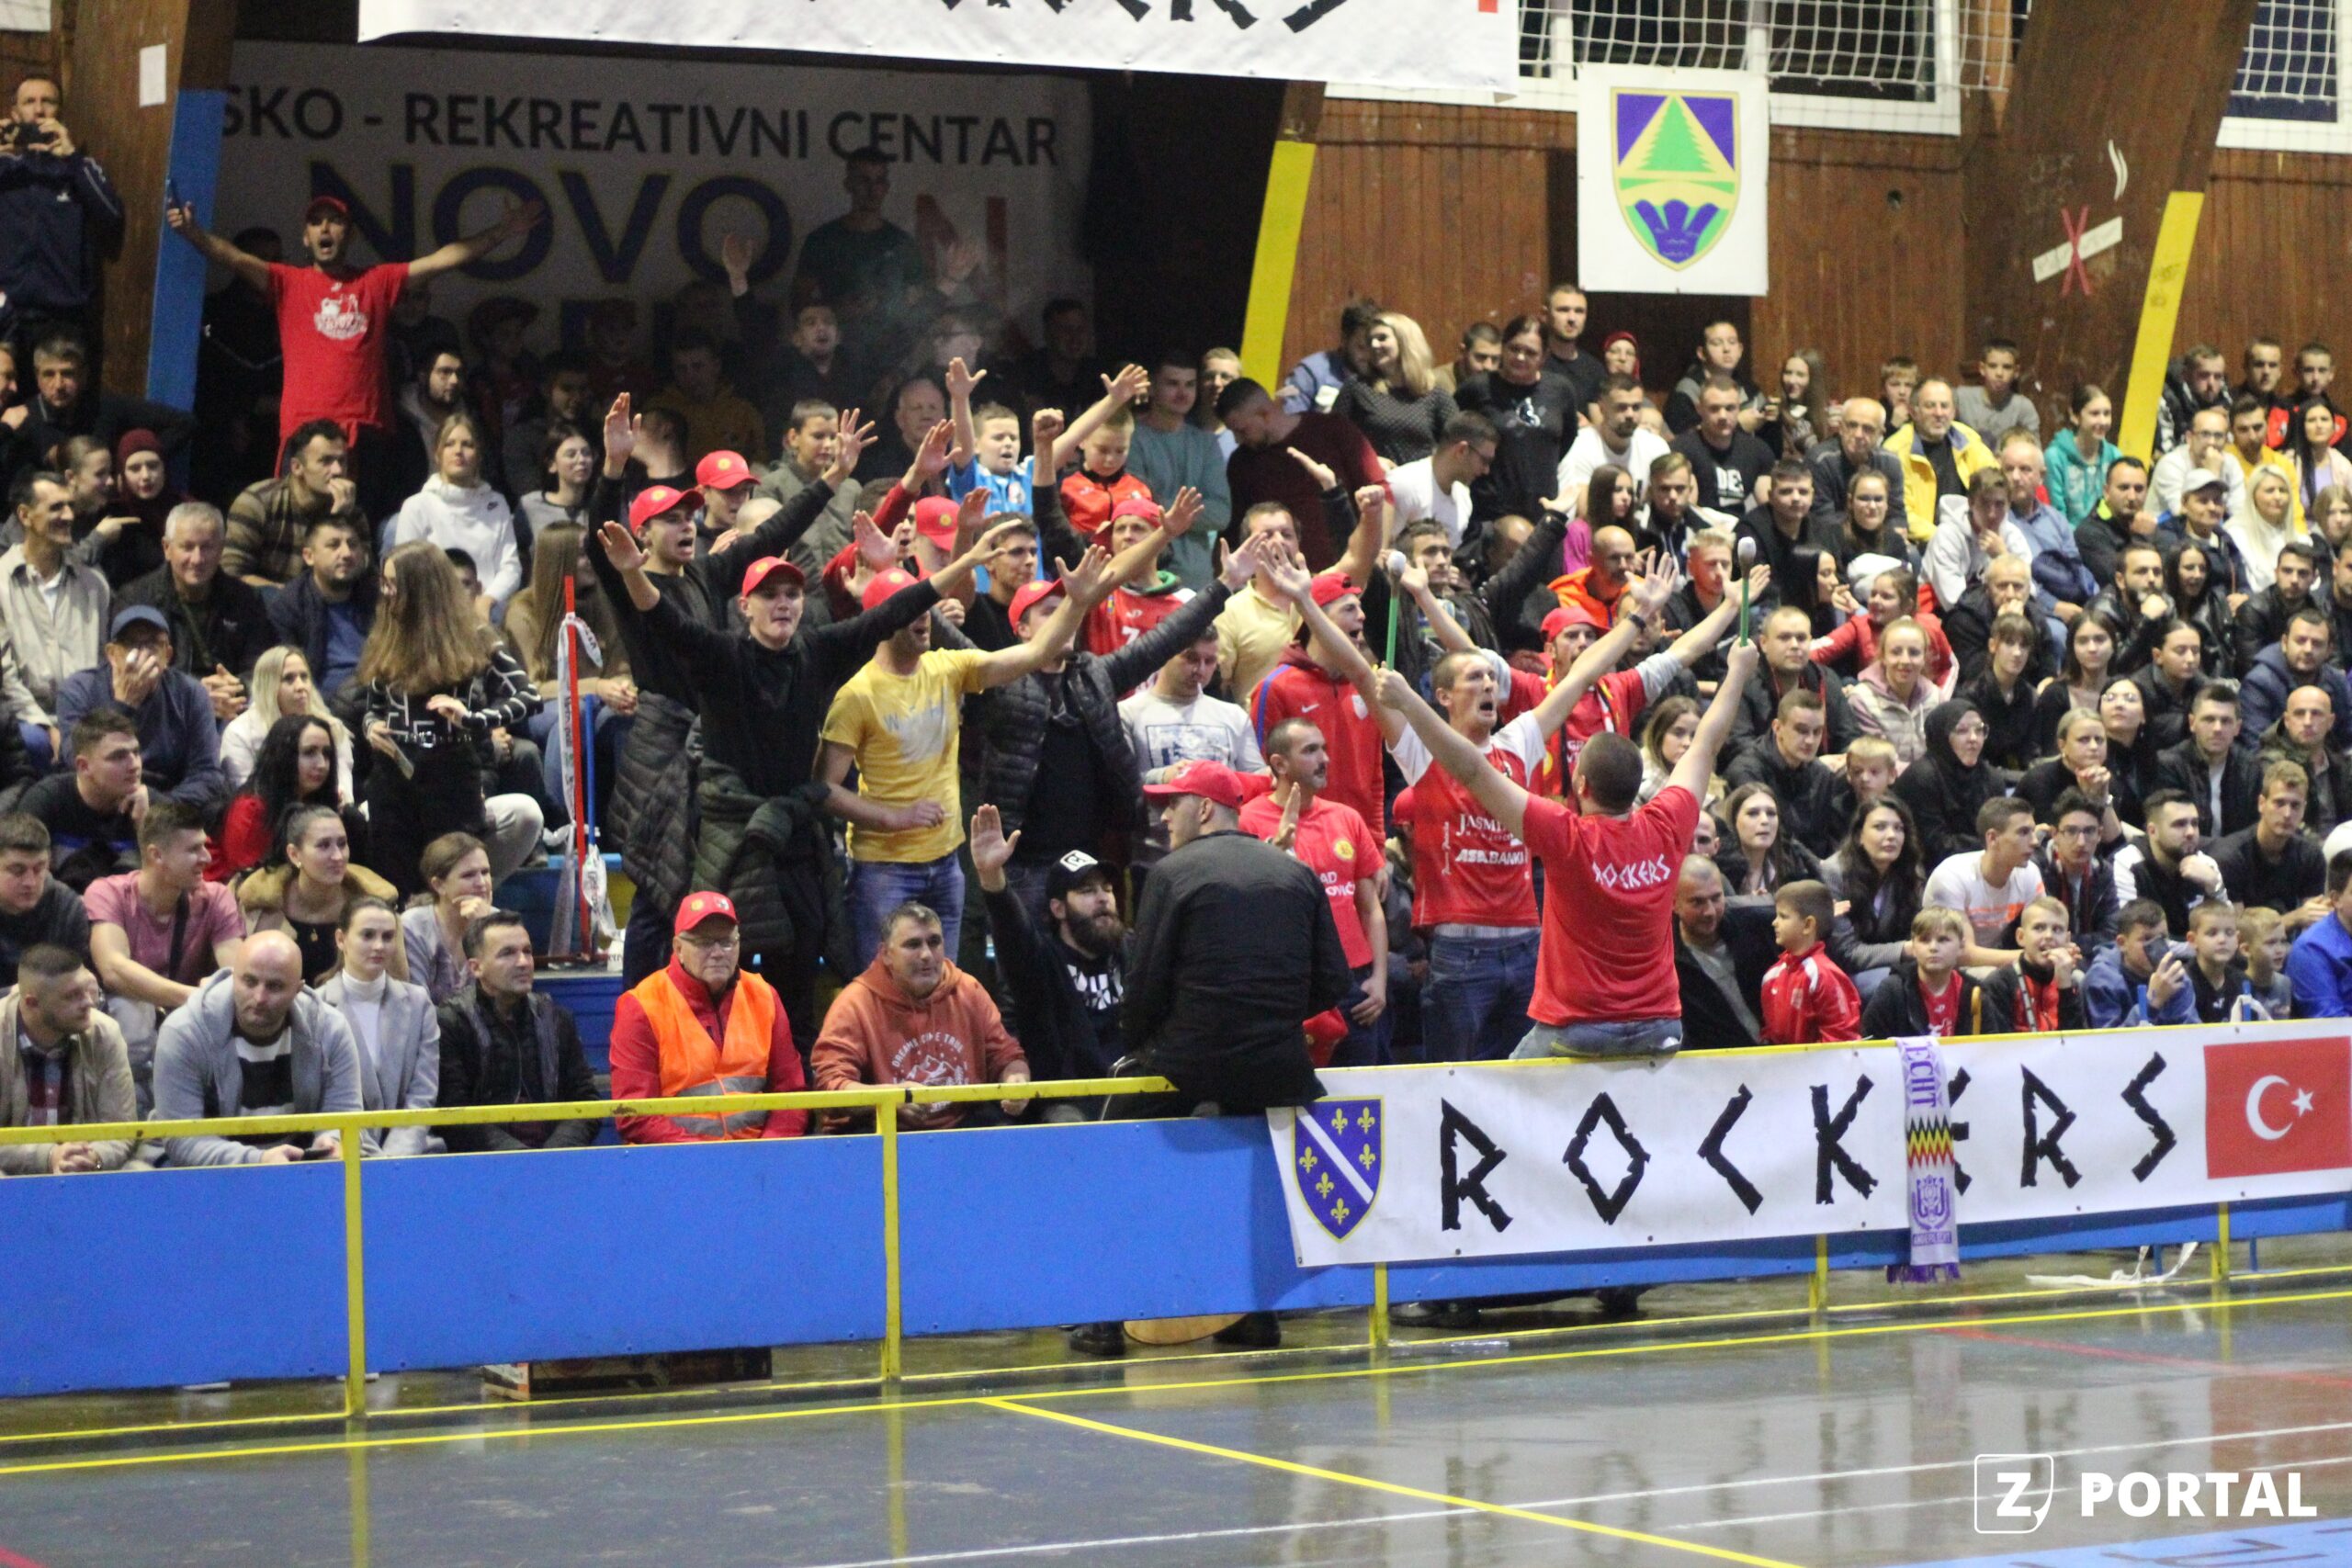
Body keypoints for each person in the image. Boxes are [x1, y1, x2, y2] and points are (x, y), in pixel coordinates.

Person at [596, 500, 1018, 1046]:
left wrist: (964, 562)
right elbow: (665, 621)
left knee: (797, 983)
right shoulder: (720, 657)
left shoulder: (816, 653)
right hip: (733, 838)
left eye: (792, 594)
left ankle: (792, 1089)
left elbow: (892, 610)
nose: (783, 604)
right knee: (717, 982)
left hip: (798, 840)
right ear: (744, 606)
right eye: (769, 595)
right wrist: (632, 574)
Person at [1374, 630, 1759, 1059]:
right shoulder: (1668, 823)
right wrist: (1737, 673)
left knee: (1503, 1086)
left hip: (1578, 1030)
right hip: (1662, 1028)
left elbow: (1473, 771)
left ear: (1580, 783)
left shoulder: (1565, 835)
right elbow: (1706, 743)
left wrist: (1409, 702)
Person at [167, 188, 546, 517]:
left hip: (366, 432)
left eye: (335, 222)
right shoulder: (288, 282)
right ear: (305, 238)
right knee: (299, 529)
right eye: (316, 222)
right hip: (305, 432)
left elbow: (442, 260)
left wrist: (501, 232)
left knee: (359, 530)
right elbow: (234, 258)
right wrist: (192, 232)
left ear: (348, 235)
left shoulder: (376, 282)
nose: (325, 229)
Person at [820, 543, 1105, 964]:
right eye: (910, 611)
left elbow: (1034, 653)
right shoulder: (856, 695)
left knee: (942, 985)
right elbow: (825, 788)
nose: (923, 618)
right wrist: (893, 817)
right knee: (883, 987)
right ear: (881, 621)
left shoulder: (946, 668)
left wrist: (1077, 604)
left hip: (946, 862)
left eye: (924, 609)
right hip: (884, 868)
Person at [1120, 759, 1351, 1108]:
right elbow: (1334, 981)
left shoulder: (1170, 873)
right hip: (1282, 1073)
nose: (1164, 817)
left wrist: (1143, 1040)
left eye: (1173, 804)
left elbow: (1144, 984)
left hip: (1189, 1070)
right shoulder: (1298, 873)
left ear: (1204, 809)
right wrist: (1272, 1018)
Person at [357, 542, 543, 897]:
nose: (386, 592)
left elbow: (528, 697)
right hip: (393, 773)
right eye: (385, 582)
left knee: (453, 879)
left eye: (394, 584)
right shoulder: (388, 632)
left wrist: (474, 718)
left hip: (450, 772)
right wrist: (371, 726)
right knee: (395, 882)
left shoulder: (475, 637)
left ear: (420, 587)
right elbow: (374, 705)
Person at [1240, 716, 1386, 1063]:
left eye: (1324, 749)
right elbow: (1246, 913)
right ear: (1279, 764)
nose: (1325, 759)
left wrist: (1380, 979)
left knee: (1361, 1090)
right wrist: (1277, 853)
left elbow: (1370, 908)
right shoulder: (1247, 821)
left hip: (1355, 986)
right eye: (1310, 751)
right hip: (1290, 985)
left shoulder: (1347, 818)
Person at [151, 930, 362, 1167]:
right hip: (204, 1173)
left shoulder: (330, 1029)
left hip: (301, 1167)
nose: (259, 997)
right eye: (249, 982)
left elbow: (346, 1118)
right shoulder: (184, 1032)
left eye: (275, 986)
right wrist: (259, 1160)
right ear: (233, 977)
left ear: (298, 989)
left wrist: (332, 1141)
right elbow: (182, 1141)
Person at [811, 901, 1028, 1130]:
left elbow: (1005, 1055)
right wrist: (888, 1098)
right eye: (913, 944)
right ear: (886, 954)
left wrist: (1016, 1080)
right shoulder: (855, 1003)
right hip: (882, 1129)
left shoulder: (968, 989)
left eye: (934, 942)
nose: (926, 955)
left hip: (961, 1123)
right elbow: (829, 1084)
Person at [609, 892, 806, 1144]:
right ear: (678, 948)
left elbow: (791, 1094)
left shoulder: (765, 996)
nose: (718, 953)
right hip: (674, 1162)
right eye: (704, 943)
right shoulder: (640, 1006)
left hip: (758, 1158)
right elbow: (635, 1115)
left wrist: (768, 1150)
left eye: (727, 942)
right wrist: (705, 1158)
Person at [968, 806, 1126, 1090]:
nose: (1103, 898)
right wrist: (992, 875)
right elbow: (1013, 931)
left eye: (1107, 888)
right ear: (1058, 909)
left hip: (1130, 1094)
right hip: (1065, 1100)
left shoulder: (1129, 953)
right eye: (1087, 891)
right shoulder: (1041, 960)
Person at [435, 908, 599, 1150]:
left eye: (527, 951)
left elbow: (586, 1102)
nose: (523, 962)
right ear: (476, 968)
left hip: (556, 1158)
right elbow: (453, 1114)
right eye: (508, 953)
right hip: (484, 1164)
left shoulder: (556, 1018)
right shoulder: (452, 1022)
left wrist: (554, 1153)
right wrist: (518, 1157)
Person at [54, 604, 226, 814]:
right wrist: (124, 705)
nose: (143, 654)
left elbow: (208, 775)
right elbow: (76, 760)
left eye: (152, 644)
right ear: (112, 654)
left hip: (166, 806)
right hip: (98, 803)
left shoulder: (190, 693)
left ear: (168, 655)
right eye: (131, 644)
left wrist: (155, 804)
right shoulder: (78, 689)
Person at [116, 502, 274, 727]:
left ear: (221, 549)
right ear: (166, 548)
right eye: (187, 547)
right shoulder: (136, 599)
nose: (197, 559)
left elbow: (261, 664)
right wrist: (196, 692)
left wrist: (236, 687)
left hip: (233, 709)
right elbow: (132, 670)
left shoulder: (246, 598)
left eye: (207, 547)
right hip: (162, 714)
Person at [0, 74, 120, 352]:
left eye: (48, 101)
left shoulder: (80, 168)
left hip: (64, 317)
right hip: (6, 315)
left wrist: (72, 159)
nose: (39, 110)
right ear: (15, 113)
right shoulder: (5, 169)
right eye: (29, 102)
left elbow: (112, 216)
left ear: (60, 112)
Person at [316, 897, 442, 1156]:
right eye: (367, 935)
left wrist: (392, 1159)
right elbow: (326, 1102)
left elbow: (422, 1095)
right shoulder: (315, 1007)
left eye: (388, 937)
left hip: (409, 1154)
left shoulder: (419, 1002)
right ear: (341, 939)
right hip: (342, 1152)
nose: (379, 946)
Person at [0, 943, 140, 1175]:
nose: (88, 1003)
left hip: (84, 1167)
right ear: (32, 1003)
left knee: (139, 1172)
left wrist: (92, 1157)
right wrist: (48, 1157)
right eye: (72, 996)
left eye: (88, 990)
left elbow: (122, 1130)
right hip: (9, 1171)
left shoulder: (105, 1033)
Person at [1219, 378, 1386, 568]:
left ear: (1265, 414)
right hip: (1279, 574)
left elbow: (1380, 491)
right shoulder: (1241, 462)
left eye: (1242, 430)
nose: (1237, 440)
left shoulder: (1331, 429)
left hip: (1348, 568)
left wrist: (1377, 554)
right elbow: (1235, 530)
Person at [3, 467, 108, 762]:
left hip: (87, 718)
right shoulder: (1, 582)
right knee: (36, 742)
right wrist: (46, 726)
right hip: (25, 719)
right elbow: (5, 677)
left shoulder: (94, 584)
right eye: (56, 507)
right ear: (25, 516)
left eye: (70, 506)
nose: (69, 516)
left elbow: (103, 664)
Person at [238, 804, 404, 984]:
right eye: (324, 846)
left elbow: (399, 983)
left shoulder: (377, 907)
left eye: (342, 844)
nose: (338, 856)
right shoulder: (259, 907)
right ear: (294, 855)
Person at [385, 412, 522, 611]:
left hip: (488, 608)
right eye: (449, 444)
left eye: (467, 444)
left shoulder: (496, 503)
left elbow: (510, 567)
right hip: (434, 609)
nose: (458, 451)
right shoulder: (417, 506)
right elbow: (407, 572)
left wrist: (487, 601)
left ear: (479, 455)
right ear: (437, 454)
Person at [1451, 315, 1581, 524]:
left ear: (1545, 356)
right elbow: (1451, 436)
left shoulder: (1561, 390)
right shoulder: (1477, 388)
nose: (1520, 357)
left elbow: (1566, 438)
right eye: (1514, 349)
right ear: (1503, 348)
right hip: (1488, 513)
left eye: (1530, 352)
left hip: (1543, 509)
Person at [1127, 351, 1234, 591]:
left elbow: (1221, 513)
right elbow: (1135, 506)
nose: (1182, 393)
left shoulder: (1207, 444)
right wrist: (1186, 511)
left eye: (1189, 384)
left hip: (1196, 579)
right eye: (1172, 384)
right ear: (1152, 387)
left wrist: (1166, 509)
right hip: (1143, 574)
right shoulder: (1132, 438)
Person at [19, 709, 142, 891]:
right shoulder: (46, 800)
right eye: (118, 757)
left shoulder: (148, 805)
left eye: (136, 753)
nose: (134, 765)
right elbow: (21, 876)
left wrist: (146, 828)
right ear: (84, 766)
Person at [1723, 688, 1851, 859]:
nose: (1810, 740)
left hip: (1811, 868)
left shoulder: (1822, 775)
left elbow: (1827, 840)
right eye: (1801, 730)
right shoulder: (1747, 772)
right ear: (1777, 727)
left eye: (1817, 731)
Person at [220, 647, 353, 799]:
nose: (300, 686)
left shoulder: (333, 728)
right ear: (269, 685)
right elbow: (245, 797)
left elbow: (345, 793)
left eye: (304, 677)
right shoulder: (240, 733)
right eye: (289, 679)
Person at [1922, 795, 2043, 962]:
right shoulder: (1951, 877)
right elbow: (1962, 955)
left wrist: (2058, 951)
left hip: (1996, 962)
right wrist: (2034, 957)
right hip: (1947, 968)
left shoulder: (2030, 873)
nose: (2035, 841)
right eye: (2023, 832)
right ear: (1992, 838)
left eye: (2033, 832)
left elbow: (2044, 931)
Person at [1671, 856, 1773, 1050]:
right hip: (1717, 1063)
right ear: (1674, 903)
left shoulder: (1759, 924)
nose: (1709, 911)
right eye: (1697, 902)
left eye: (1716, 898)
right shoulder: (1665, 957)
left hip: (1784, 1055)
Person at [1332, 311, 1459, 466]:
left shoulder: (1435, 395)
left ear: (1404, 341)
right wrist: (1370, 461)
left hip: (1419, 479)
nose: (1374, 345)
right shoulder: (1358, 387)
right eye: (1371, 340)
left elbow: (1458, 447)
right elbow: (1333, 438)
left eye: (1382, 338)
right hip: (1373, 478)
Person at [1891, 699, 2006, 862]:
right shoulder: (1921, 778)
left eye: (1979, 730)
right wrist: (1992, 845)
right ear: (1942, 737)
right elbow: (1934, 845)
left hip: (1984, 862)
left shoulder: (1991, 778)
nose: (1973, 738)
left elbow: (2000, 830)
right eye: (1962, 731)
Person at [2211, 760, 2328, 916]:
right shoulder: (2231, 856)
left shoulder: (2311, 856)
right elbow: (2236, 927)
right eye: (2279, 803)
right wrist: (2295, 918)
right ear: (2261, 804)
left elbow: (2314, 918)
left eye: (2295, 806)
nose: (2287, 814)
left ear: (2304, 809)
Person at [2112, 790, 2225, 939]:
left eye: (2195, 823)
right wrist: (2196, 946)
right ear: (2152, 831)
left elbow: (2227, 933)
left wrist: (2215, 888)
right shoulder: (2128, 863)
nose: (2191, 832)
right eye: (2179, 824)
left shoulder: (2205, 864)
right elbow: (2131, 937)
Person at [2153, 683, 2260, 840]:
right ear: (2192, 723)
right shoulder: (2168, 765)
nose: (2217, 728)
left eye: (2226, 721)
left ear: (2237, 728)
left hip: (2236, 853)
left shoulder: (2251, 768)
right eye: (2209, 719)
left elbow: (2254, 829)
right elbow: (2172, 830)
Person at [1758, 880, 1860, 1044]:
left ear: (1808, 925)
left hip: (1822, 1061)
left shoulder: (1823, 975)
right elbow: (1769, 1034)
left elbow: (1840, 1037)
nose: (1774, 922)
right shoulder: (1772, 976)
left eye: (1783, 916)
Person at [1860, 908, 1983, 1039]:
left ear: (1961, 947)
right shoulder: (1892, 991)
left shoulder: (1976, 992)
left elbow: (1992, 1046)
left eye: (1943, 940)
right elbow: (1869, 1044)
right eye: (1925, 940)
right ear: (1913, 947)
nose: (1933, 948)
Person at [400, 831, 492, 1005]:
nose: (482, 883)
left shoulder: (498, 922)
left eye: (485, 872)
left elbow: (502, 998)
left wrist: (485, 928)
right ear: (439, 885)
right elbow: (417, 1005)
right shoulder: (413, 926)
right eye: (469, 875)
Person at [1560, 374, 1670, 516]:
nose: (1630, 414)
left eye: (1636, 407)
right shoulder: (1580, 445)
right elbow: (1586, 511)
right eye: (1621, 407)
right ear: (1602, 408)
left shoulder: (1656, 446)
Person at [1386, 412, 1498, 552]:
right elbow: (1378, 554)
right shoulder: (1403, 485)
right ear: (1462, 450)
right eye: (1485, 461)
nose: (1486, 470)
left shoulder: (1463, 499)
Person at [0, 815, 89, 987]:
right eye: (17, 870)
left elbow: (75, 982)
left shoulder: (67, 908)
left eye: (39, 869)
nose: (30, 882)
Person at [1977, 897, 2089, 1032]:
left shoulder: (2073, 983)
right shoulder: (1999, 984)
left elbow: (2076, 1041)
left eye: (2057, 929)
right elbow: (2000, 1042)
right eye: (2039, 928)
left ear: (2067, 939)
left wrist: (2065, 988)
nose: (2049, 936)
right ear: (2021, 937)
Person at [1847, 616, 1941, 770]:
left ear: (1925, 657)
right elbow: (1879, 762)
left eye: (1914, 653)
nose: (1905, 661)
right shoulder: (1861, 700)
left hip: (1929, 780)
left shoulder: (1936, 697)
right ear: (1883, 656)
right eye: (1896, 652)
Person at [2082, 899, 2196, 1027]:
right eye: (2147, 939)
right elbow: (2108, 1038)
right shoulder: (2102, 979)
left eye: (2163, 938)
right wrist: (2152, 1002)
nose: (2156, 947)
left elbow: (2191, 1032)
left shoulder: (2174, 977)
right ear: (2122, 943)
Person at [1672, 377, 1776, 515]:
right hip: (1698, 524)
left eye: (1730, 408)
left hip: (1741, 525)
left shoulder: (1758, 451)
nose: (1723, 416)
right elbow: (1686, 510)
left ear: (1739, 408)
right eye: (1714, 409)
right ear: (1699, 409)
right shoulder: (1681, 450)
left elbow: (1769, 508)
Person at [1805, 396, 1904, 521]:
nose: (1858, 435)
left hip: (1879, 532)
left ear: (1880, 434)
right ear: (1841, 428)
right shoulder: (1821, 461)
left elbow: (1896, 516)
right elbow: (1823, 519)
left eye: (1868, 429)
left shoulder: (1890, 462)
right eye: (1852, 425)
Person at [1283, 295, 1383, 415]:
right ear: (1344, 340)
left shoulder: (1384, 373)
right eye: (1361, 347)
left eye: (1374, 349)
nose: (1368, 356)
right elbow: (1290, 421)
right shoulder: (1310, 374)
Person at [1956, 339, 2040, 446]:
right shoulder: (1961, 398)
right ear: (1982, 368)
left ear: (2016, 371)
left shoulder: (2023, 408)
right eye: (1992, 366)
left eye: (2007, 367)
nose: (1999, 373)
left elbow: (2033, 449)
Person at [2237, 904, 2297, 1016]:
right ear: (2246, 950)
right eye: (2271, 943)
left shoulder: (2286, 984)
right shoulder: (2235, 987)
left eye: (2283, 941)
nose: (2280, 950)